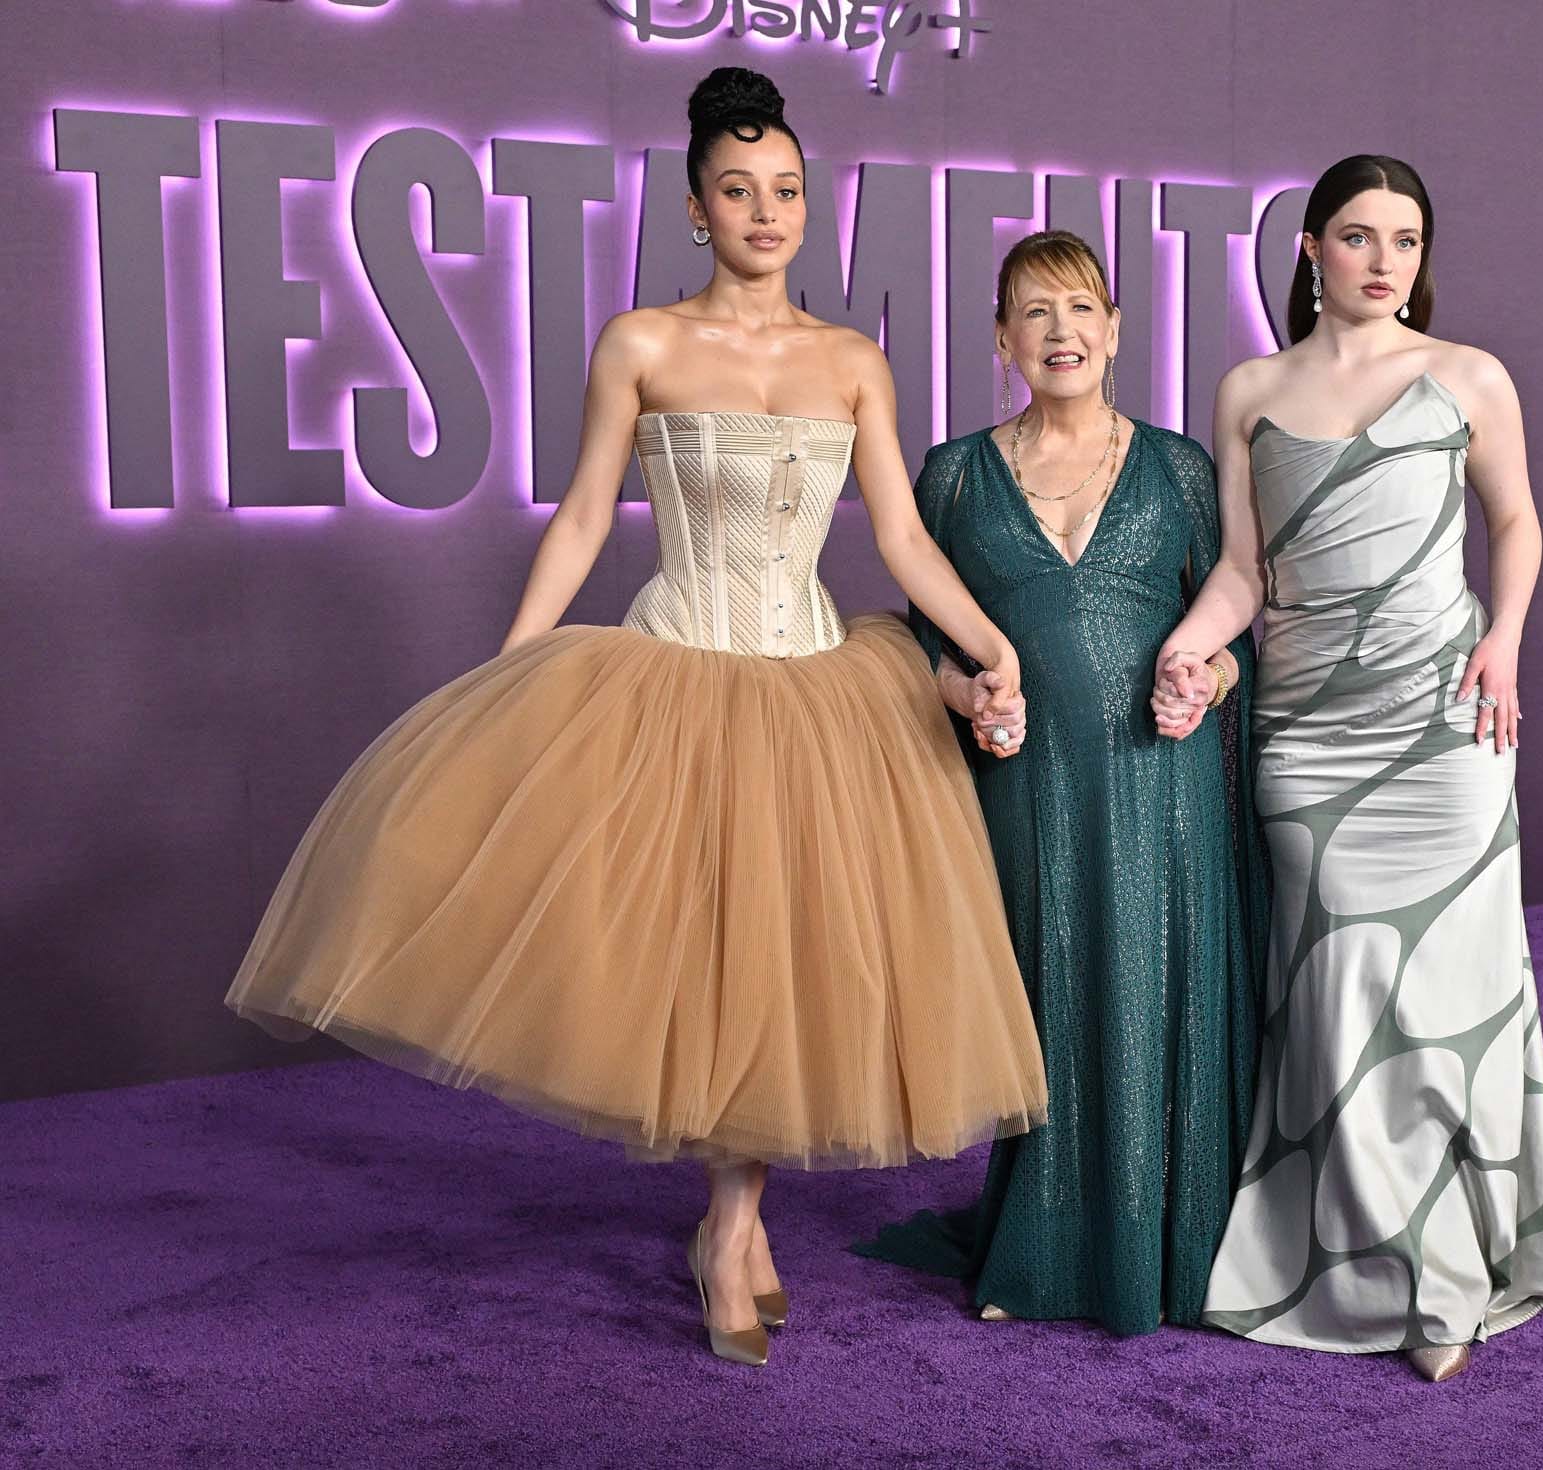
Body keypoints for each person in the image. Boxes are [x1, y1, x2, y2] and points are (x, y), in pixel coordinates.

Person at [226, 67, 1048, 1370]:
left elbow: (898, 535)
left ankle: (735, 1221)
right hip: (678, 675)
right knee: (714, 959)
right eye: (739, 190)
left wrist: (989, 641)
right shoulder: (642, 344)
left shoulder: (852, 360)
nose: (766, 212)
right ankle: (731, 1228)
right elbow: (580, 516)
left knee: (786, 959)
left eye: (785, 189)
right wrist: (511, 676)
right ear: (694, 208)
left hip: (817, 687)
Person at [1154, 156, 1543, 1381]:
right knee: (1341, 1000)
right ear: (1309, 248)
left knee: (1442, 999)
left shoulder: (1468, 376)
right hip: (1309, 736)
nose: (1382, 261)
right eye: (1357, 236)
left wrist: (1504, 641)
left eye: (1404, 240)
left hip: (1446, 723)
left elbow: (1514, 521)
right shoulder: (1249, 390)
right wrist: (1187, 650)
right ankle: (1376, 1265)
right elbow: (1243, 572)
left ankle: (1443, 1276)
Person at [854, 231, 1267, 1337]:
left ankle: (1175, 1247)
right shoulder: (952, 475)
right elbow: (920, 646)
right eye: (1035, 312)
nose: (1061, 331)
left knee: (1157, 995)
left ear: (1116, 330)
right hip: (1026, 782)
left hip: (1162, 782)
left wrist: (1208, 679)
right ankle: (1039, 1250)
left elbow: (1236, 627)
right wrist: (969, 698)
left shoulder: (1180, 468)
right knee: (1050, 999)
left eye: (1081, 308)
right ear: (1002, 340)